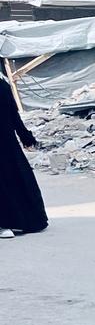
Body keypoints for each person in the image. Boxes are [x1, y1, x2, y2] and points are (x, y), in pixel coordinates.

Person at [1, 76, 48, 238]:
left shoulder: (2, 85)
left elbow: (12, 114)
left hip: (6, 144)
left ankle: (16, 222)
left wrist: (25, 136)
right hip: (7, 144)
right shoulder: (2, 85)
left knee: (13, 180)